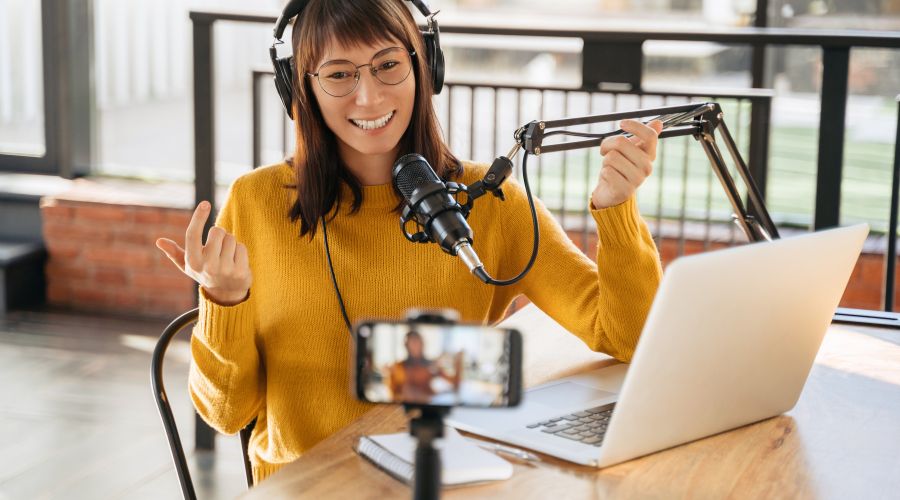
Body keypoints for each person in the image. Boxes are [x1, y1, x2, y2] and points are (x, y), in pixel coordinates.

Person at [155, 0, 663, 484]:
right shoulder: (257, 202)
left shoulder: (492, 201)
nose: (369, 97)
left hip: (446, 480)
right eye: (339, 74)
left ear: (426, 66)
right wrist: (225, 300)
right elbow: (225, 414)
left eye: (387, 65)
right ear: (299, 89)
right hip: (304, 488)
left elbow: (629, 339)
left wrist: (616, 210)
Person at [386, 330, 461, 404]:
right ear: (407, 346)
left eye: (418, 343)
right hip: (405, 409)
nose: (416, 347)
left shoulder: (431, 366)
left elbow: (455, 384)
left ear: (422, 344)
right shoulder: (398, 367)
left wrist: (458, 364)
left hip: (428, 407)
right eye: (412, 343)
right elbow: (392, 396)